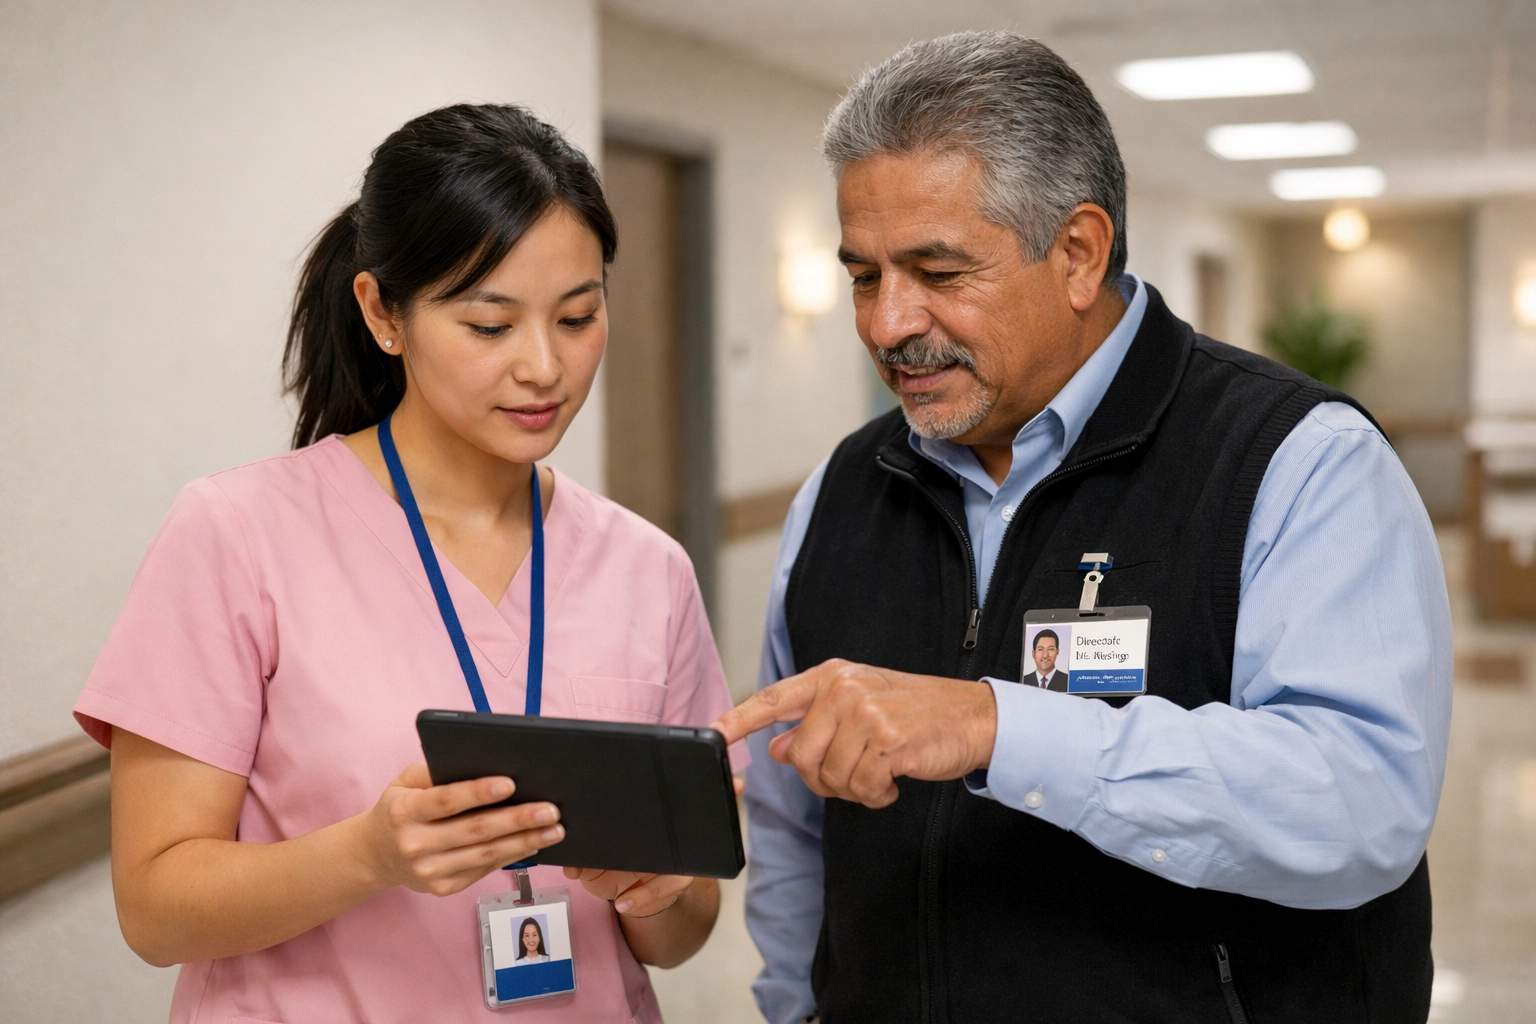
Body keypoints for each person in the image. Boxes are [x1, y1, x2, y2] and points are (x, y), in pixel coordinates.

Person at [717, 32, 1451, 1024]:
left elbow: (1360, 805)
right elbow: (797, 832)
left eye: (936, 272)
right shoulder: (842, 493)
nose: (888, 323)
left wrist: (995, 725)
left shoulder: (1296, 461)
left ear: (1077, 253)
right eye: (863, 275)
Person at [75, 103, 744, 1024]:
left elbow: (683, 931)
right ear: (383, 313)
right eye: (488, 325)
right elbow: (154, 909)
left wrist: (659, 892)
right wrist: (370, 857)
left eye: (578, 316)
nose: (545, 367)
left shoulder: (648, 568)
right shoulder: (237, 533)